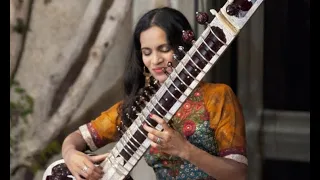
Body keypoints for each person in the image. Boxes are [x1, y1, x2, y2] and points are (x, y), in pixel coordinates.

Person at [61, 7, 248, 180]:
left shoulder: (217, 97)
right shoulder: (138, 107)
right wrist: (70, 154)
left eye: (164, 49)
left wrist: (185, 150)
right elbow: (76, 138)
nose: (155, 60)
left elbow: (238, 174)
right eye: (146, 52)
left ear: (182, 46)